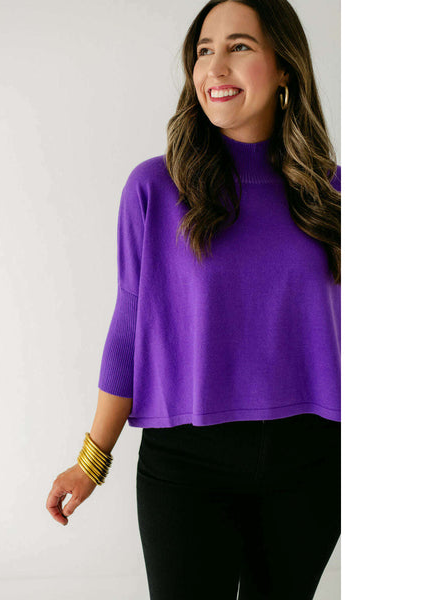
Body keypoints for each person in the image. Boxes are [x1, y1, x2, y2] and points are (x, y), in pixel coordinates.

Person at [47, 0, 341, 598]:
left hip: (313, 460)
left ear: (285, 65)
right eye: (204, 51)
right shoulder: (155, 188)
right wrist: (91, 460)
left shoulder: (333, 195)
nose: (215, 67)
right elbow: (129, 325)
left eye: (239, 46)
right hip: (186, 463)